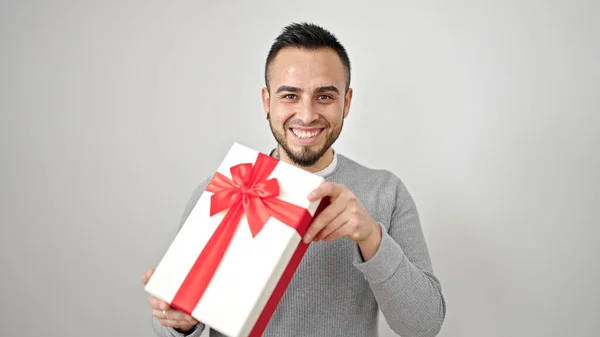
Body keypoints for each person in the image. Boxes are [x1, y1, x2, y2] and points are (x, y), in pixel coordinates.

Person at [141, 22, 446, 337]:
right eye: (290, 95)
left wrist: (371, 237)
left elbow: (423, 326)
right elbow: (170, 324)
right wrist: (181, 322)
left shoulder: (386, 193)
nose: (307, 114)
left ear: (347, 102)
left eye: (325, 96)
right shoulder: (223, 189)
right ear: (266, 101)